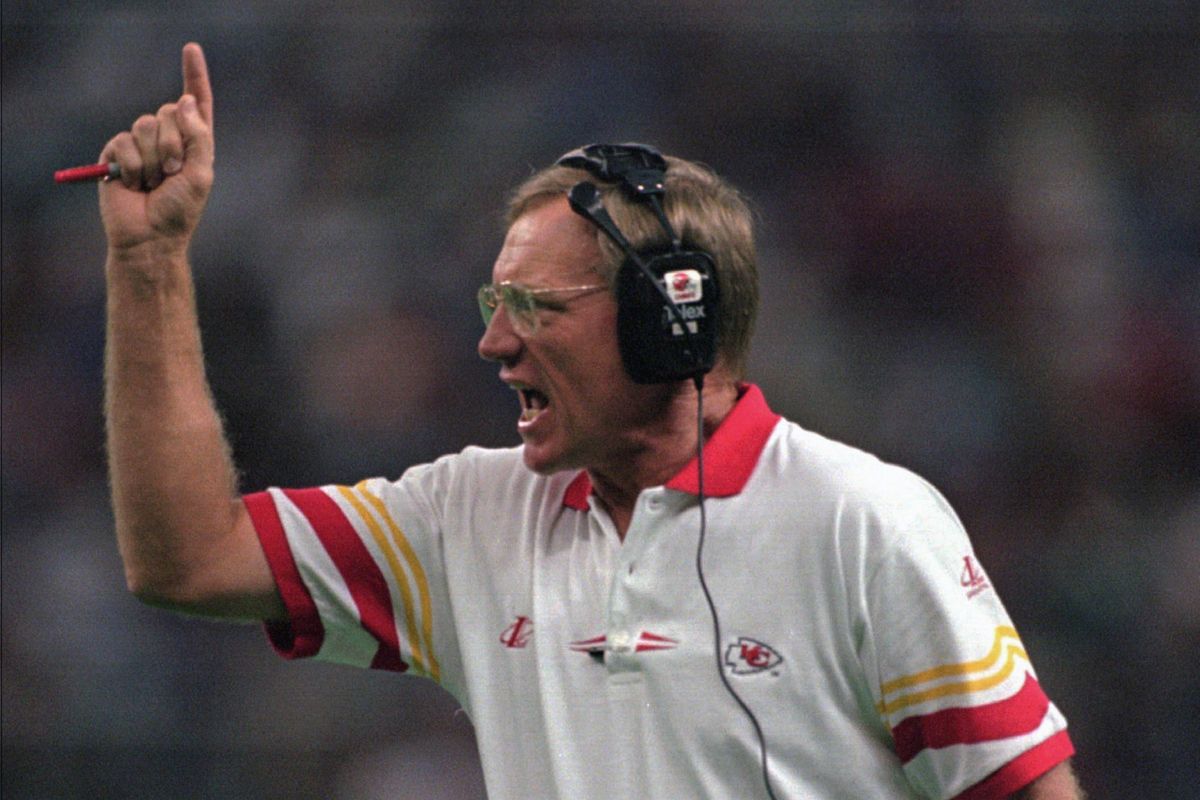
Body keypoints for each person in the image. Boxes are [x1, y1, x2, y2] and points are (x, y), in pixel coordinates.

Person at [100, 43, 1083, 799]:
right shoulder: (462, 514)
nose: (494, 345)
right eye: (495, 305)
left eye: (535, 309)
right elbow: (185, 557)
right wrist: (149, 265)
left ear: (671, 319)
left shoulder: (867, 522)